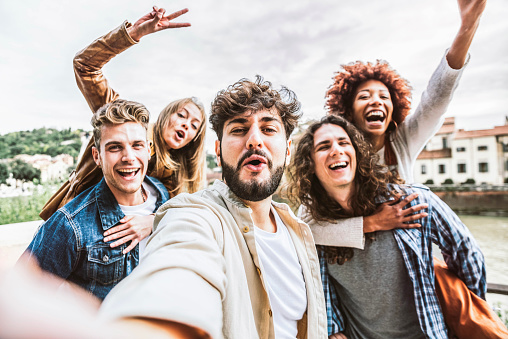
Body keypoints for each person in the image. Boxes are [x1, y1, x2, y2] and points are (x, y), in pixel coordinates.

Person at [305, 0, 487, 245]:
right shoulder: (336, 156)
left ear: (394, 108)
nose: (376, 102)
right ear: (347, 110)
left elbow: (436, 98)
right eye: (364, 97)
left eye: (383, 96)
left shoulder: (403, 141)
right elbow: (305, 228)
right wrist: (374, 223)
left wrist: (467, 27)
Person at [287, 115, 487, 338]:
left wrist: (468, 317)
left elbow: (467, 253)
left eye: (344, 142)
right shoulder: (316, 223)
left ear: (357, 153)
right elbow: (319, 283)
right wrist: (333, 328)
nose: (336, 150)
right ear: (310, 164)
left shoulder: (411, 201)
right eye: (324, 146)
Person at [39, 7, 206, 254]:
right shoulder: (122, 122)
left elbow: (184, 218)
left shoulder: (179, 175)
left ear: (195, 139)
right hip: (71, 234)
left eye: (194, 125)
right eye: (181, 115)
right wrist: (133, 34)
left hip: (120, 253)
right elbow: (85, 65)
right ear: (165, 115)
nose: (185, 125)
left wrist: (154, 221)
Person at [25, 100, 170, 300]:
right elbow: (21, 295)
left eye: (137, 145)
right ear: (97, 156)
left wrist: (156, 220)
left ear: (149, 150)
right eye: (114, 148)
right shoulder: (70, 226)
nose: (128, 157)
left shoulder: (162, 195)